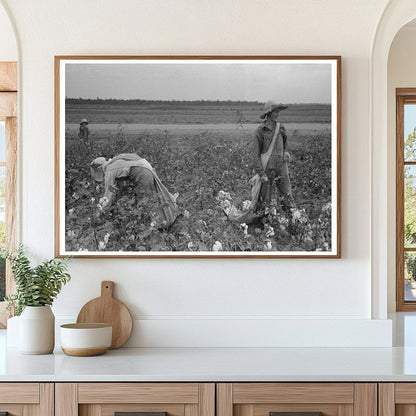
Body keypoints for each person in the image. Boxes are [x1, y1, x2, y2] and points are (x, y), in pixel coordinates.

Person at [90, 153, 179, 228]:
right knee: (155, 196)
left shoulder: (110, 169)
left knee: (148, 201)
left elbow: (107, 197)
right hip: (146, 169)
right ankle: (163, 216)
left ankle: (159, 224)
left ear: (99, 168)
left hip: (143, 174)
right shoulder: (115, 161)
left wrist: (100, 212)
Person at [253, 101, 295, 214]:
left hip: (282, 167)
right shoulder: (260, 131)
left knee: (287, 195)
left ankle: (293, 221)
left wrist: (285, 152)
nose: (278, 114)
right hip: (267, 169)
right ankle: (265, 224)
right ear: (269, 113)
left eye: (278, 111)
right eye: (275, 111)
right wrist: (261, 173)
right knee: (265, 201)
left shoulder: (281, 128)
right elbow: (256, 154)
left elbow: (285, 144)